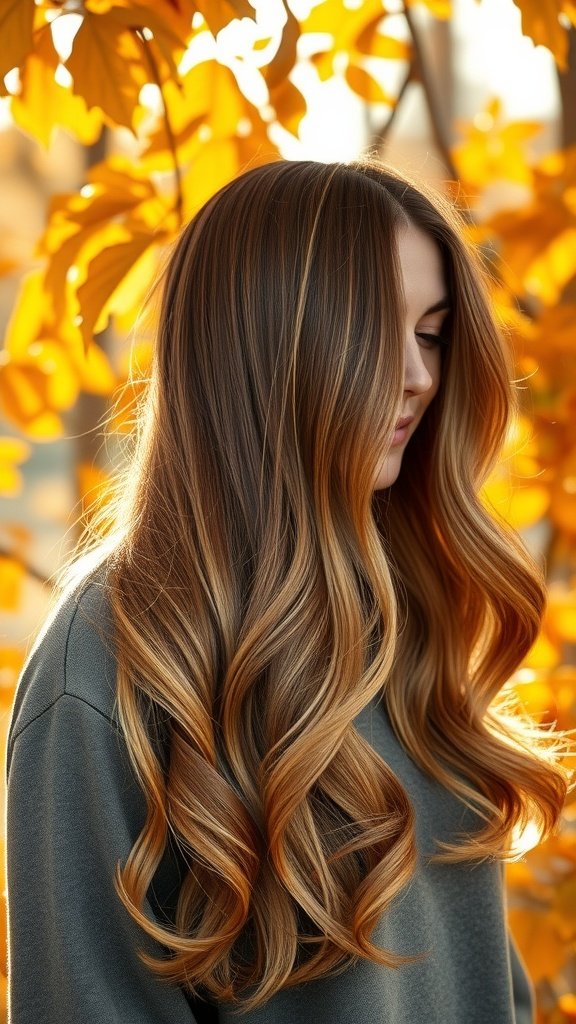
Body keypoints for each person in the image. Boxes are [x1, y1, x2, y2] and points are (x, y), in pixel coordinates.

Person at [6, 158, 572, 1024]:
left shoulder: (407, 619)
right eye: (377, 331)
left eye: (431, 334)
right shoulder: (118, 651)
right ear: (264, 342)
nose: (420, 375)